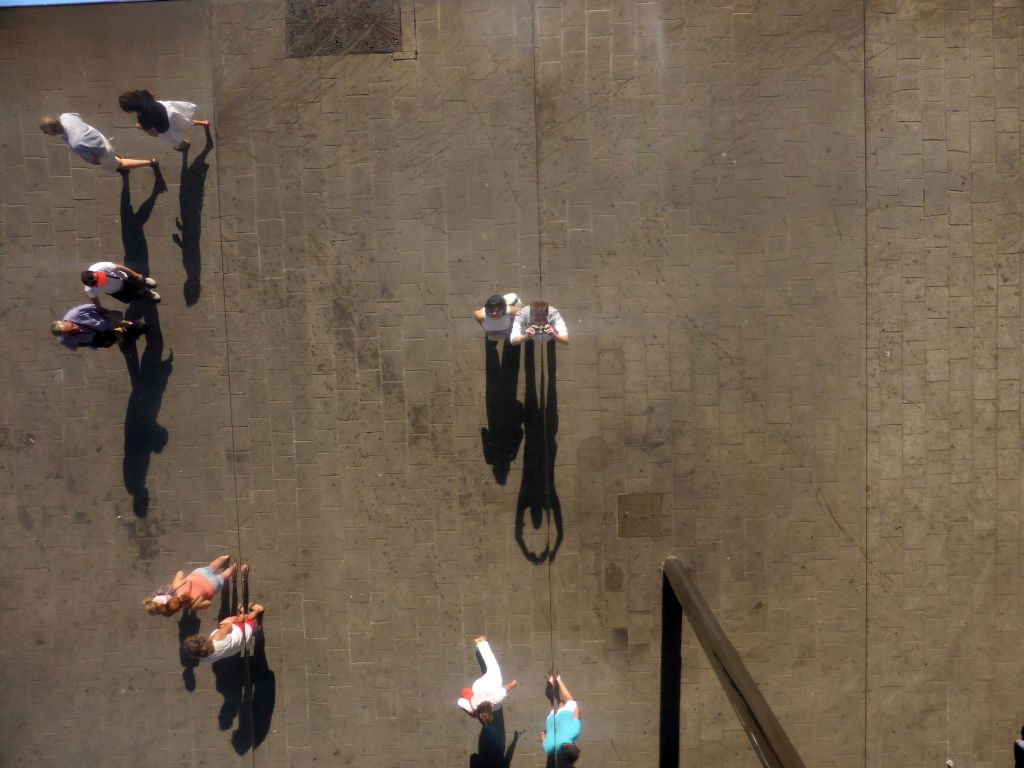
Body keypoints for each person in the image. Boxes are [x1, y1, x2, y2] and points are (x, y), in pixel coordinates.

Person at [39, 114, 155, 172]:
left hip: (102, 152)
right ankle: (117, 157)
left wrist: (101, 163)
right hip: (99, 137)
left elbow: (93, 160)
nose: (45, 134)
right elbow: (78, 117)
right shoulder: (65, 116)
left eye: (45, 132)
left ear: (53, 132)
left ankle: (149, 163)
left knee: (120, 165)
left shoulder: (74, 144)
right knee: (112, 154)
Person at [143, 556, 238, 616]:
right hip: (199, 574)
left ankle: (234, 567)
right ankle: (225, 557)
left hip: (211, 586)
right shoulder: (176, 587)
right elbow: (180, 573)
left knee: (224, 576)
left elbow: (207, 604)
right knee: (212, 566)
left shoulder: (193, 605)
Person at [118, 90, 209, 152]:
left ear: (131, 109)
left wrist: (141, 127)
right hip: (168, 110)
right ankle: (203, 123)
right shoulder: (143, 94)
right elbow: (152, 94)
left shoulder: (142, 118)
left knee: (175, 139)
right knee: (184, 121)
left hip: (164, 127)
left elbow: (153, 133)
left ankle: (184, 144)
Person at [457, 636, 519, 725]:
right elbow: (460, 702)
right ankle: (481, 644)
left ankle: (482, 643)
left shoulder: (494, 699)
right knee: (491, 665)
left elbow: (505, 688)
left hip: (492, 681)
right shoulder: (472, 708)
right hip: (478, 686)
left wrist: (513, 684)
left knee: (493, 665)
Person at [183, 601, 264, 663]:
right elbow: (229, 625)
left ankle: (252, 623)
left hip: (239, 645)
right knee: (241, 620)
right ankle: (257, 610)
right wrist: (223, 624)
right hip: (244, 631)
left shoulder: (204, 659)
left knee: (236, 624)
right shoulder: (217, 637)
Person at [51, 304, 144, 350]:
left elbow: (96, 307)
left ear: (65, 321)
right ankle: (127, 336)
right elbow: (76, 346)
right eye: (71, 332)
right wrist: (90, 343)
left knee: (122, 323)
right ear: (63, 335)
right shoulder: (64, 341)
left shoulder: (76, 312)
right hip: (100, 338)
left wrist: (108, 315)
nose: (75, 329)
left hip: (108, 322)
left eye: (72, 326)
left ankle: (133, 325)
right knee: (119, 339)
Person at [541, 673, 581, 764]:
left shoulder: (574, 732)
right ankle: (551, 683)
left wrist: (579, 716)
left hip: (566, 714)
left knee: (570, 701)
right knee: (558, 705)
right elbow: (542, 735)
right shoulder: (549, 749)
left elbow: (577, 711)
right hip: (551, 719)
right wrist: (544, 733)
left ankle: (557, 679)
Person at [81, 261, 160, 306]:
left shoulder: (98, 267)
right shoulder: (89, 290)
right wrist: (99, 308)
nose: (103, 279)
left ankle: (146, 283)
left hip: (125, 279)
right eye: (100, 281)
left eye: (100, 276)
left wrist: (135, 274)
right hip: (117, 292)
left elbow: (119, 267)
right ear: (93, 285)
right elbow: (94, 299)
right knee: (134, 296)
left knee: (138, 284)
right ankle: (146, 292)